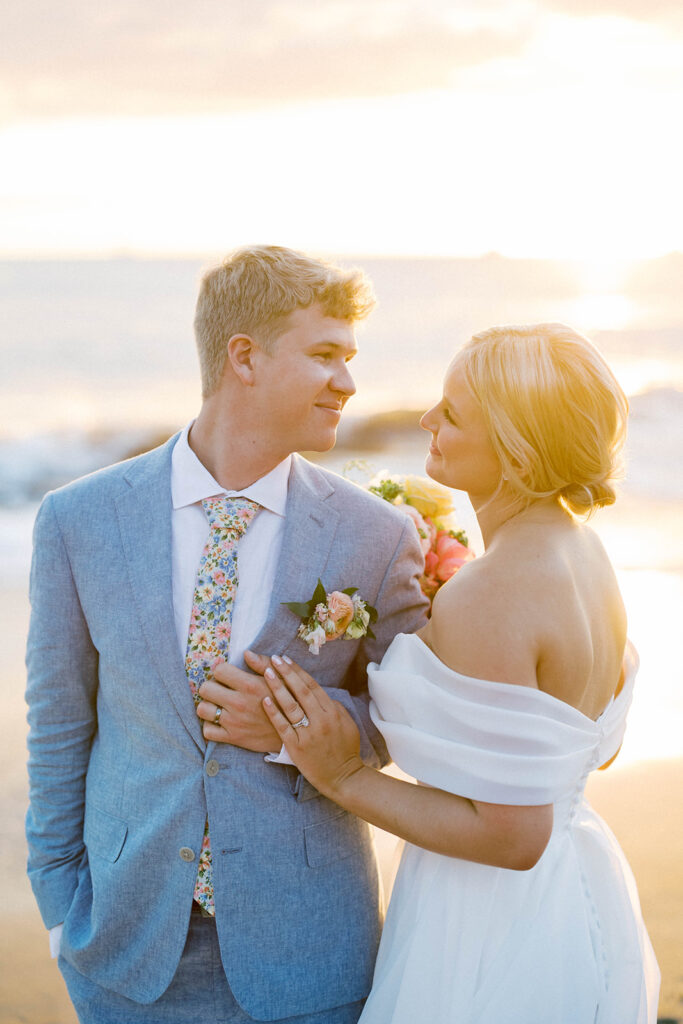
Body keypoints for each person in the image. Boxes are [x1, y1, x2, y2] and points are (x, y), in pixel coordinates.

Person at [25, 245, 429, 1024]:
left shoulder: (373, 536)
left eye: (350, 358)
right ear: (243, 357)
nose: (348, 382)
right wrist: (58, 896)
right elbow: (59, 719)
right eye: (324, 355)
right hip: (123, 946)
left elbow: (409, 719)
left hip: (309, 951)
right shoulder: (79, 520)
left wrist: (294, 730)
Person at [260, 323, 661, 1023]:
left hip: (488, 923)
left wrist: (343, 776)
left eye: (452, 412)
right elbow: (585, 745)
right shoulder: (587, 553)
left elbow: (512, 835)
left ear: (515, 451)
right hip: (575, 894)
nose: (426, 421)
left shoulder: (492, 590)